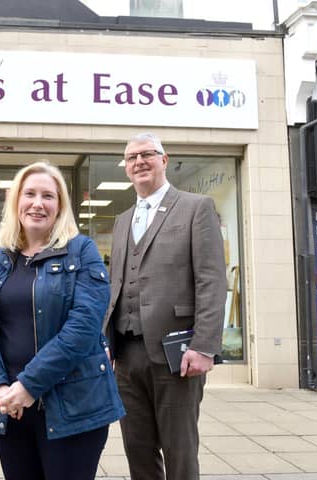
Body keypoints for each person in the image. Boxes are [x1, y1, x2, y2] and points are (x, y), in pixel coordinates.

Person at [0, 161, 124, 480]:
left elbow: (83, 329)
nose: (38, 203)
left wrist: (29, 385)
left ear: (60, 206)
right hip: (11, 408)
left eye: (48, 196)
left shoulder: (82, 251)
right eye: (29, 194)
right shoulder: (1, 259)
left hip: (71, 408)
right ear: (17, 202)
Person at [103, 133, 227, 480]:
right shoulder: (123, 219)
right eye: (131, 158)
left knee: (179, 450)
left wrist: (203, 346)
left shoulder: (195, 207)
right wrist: (107, 341)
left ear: (164, 159)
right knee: (137, 449)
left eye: (147, 154)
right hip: (127, 356)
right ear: (126, 168)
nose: (139, 162)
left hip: (178, 354)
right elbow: (117, 285)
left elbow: (212, 281)